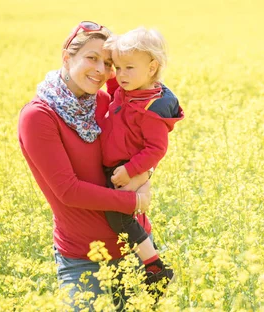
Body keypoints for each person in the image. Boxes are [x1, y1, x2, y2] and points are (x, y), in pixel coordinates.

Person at [17, 21, 167, 309]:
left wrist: (146, 173)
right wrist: (134, 200)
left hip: (135, 249)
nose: (101, 70)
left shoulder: (107, 101)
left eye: (108, 63)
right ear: (67, 56)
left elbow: (144, 147)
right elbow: (69, 191)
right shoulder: (38, 116)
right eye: (91, 58)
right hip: (83, 261)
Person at [100, 26, 183, 298]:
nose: (120, 74)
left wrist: (131, 171)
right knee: (120, 216)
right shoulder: (129, 88)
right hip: (119, 168)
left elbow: (156, 149)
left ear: (152, 68)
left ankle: (155, 265)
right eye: (118, 67)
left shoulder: (151, 108)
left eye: (129, 68)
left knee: (117, 215)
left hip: (126, 168)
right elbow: (113, 83)